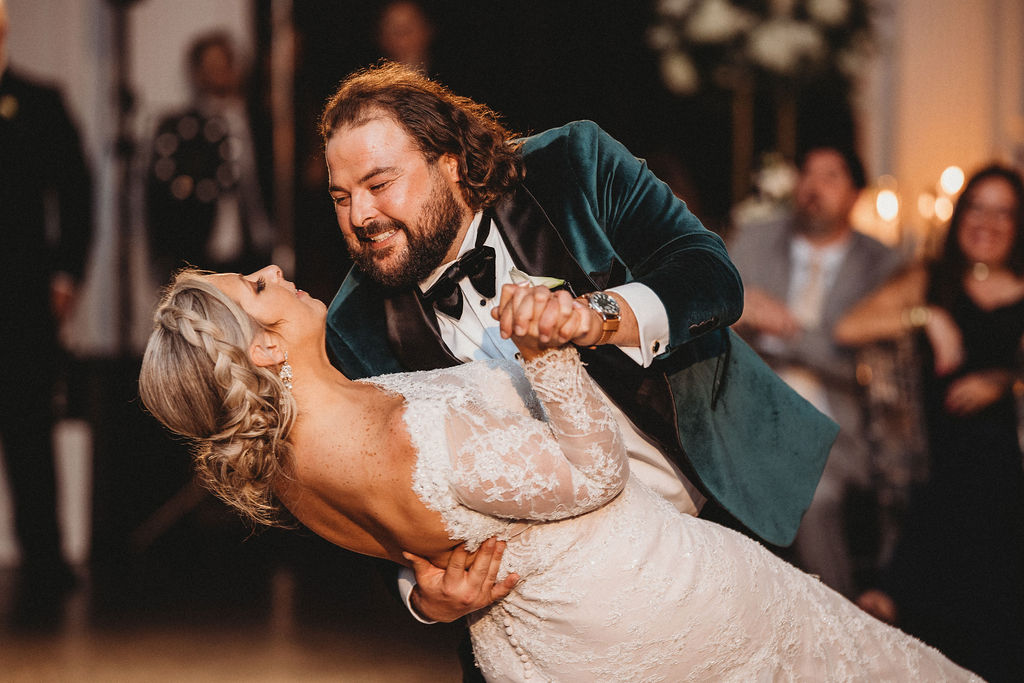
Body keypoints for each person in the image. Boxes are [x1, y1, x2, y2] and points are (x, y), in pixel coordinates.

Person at [139, 263, 980, 681]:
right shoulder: (390, 430)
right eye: (256, 285)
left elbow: (416, 543)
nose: (278, 271)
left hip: (537, 648)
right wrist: (545, 354)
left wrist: (427, 596)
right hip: (647, 593)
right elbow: (593, 473)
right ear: (265, 347)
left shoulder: (287, 463)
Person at [835, 163, 1024, 681]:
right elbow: (850, 325)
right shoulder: (932, 279)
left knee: (991, 462)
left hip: (1009, 452)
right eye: (977, 207)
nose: (987, 221)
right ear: (960, 216)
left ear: (1019, 223)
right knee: (974, 467)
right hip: (933, 448)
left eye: (1003, 211)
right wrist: (928, 316)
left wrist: (1005, 382)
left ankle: (896, 593)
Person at [728, 145, 906, 598]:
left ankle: (844, 623)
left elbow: (863, 361)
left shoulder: (883, 265)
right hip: (747, 409)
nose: (813, 185)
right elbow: (710, 311)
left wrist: (784, 328)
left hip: (836, 428)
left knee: (811, 489)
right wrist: (739, 307)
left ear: (856, 194)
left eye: (830, 176)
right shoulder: (754, 239)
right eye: (807, 173)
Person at [0, 0, 91, 626]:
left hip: (21, 295)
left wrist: (67, 274)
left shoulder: (39, 101)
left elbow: (78, 191)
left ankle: (45, 562)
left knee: (29, 429)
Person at [146, 30, 274, 282]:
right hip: (201, 250)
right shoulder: (181, 128)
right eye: (209, 66)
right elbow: (159, 199)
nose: (218, 73)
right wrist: (163, 257)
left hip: (259, 246)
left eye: (224, 63)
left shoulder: (260, 122)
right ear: (196, 73)